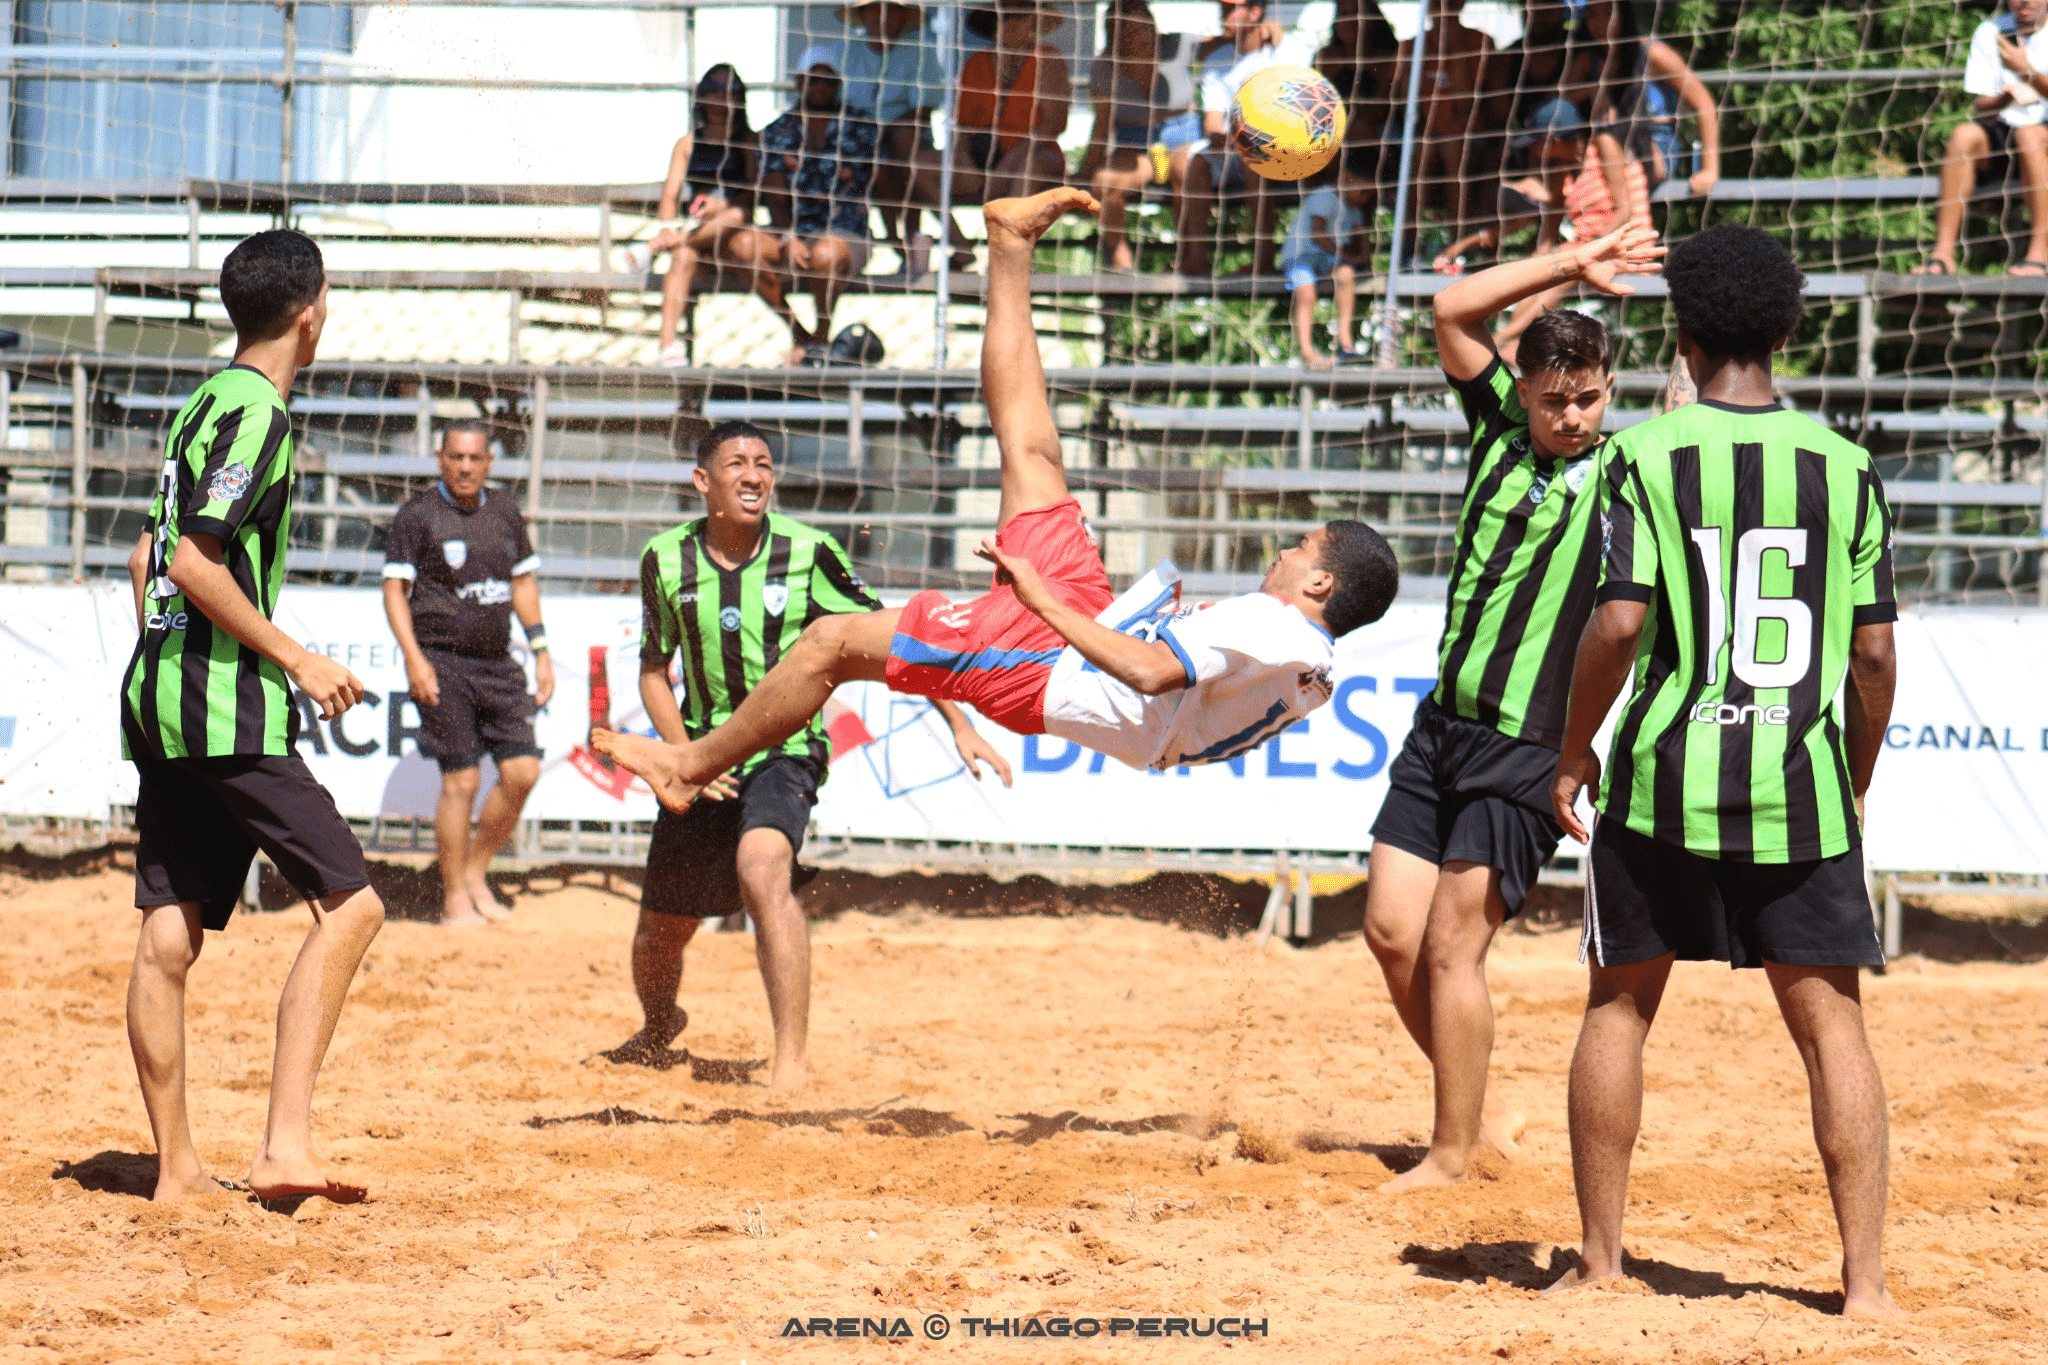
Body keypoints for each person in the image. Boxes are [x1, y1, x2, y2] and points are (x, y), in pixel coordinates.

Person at [590, 188, 1402, 815]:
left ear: (1322, 584)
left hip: (1052, 666)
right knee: (1033, 449)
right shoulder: (1311, 666)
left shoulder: (1279, 625)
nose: (1284, 550)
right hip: (1092, 631)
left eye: (1302, 547)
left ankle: (688, 763)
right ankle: (1011, 244)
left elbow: (1152, 674)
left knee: (829, 643)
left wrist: (1042, 601)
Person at [1547, 225, 1903, 1318]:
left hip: (1659, 780)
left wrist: (1572, 754)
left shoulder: (1640, 457)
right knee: (1831, 1024)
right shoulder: (1844, 465)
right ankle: (1864, 1288)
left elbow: (1616, 623)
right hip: (1795, 791)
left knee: (1616, 1008)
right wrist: (1849, 774)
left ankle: (1603, 1264)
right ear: (1787, 331)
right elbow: (1874, 653)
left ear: (1682, 333)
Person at [1364, 221, 1662, 1192]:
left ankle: (1449, 1154)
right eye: (1551, 401)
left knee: (1453, 945)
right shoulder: (1494, 425)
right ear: (1521, 391)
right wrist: (1570, 265)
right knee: (1389, 935)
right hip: (1440, 727)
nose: (1570, 416)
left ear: (1607, 388)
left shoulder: (1628, 475)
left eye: (1585, 398)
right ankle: (1474, 1117)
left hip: (1529, 744)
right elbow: (1450, 308)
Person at [613, 420, 1009, 1090]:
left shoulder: (809, 550)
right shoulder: (664, 557)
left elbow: (895, 641)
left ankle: (789, 1061)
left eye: (763, 463)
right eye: (737, 462)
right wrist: (683, 757)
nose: (753, 474)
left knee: (762, 867)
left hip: (785, 750)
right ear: (702, 480)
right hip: (703, 760)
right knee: (660, 934)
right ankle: (657, 1026)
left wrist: (960, 724)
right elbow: (655, 669)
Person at [117, 229, 383, 1204]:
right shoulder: (261, 414)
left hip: (161, 700)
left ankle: (178, 1173)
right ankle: (281, 1148)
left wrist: (163, 656)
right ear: (309, 311)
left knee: (169, 938)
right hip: (221, 712)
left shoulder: (202, 401)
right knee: (353, 905)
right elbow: (190, 560)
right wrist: (297, 656)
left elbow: (144, 559)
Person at [380, 420, 556, 927]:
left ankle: (476, 871)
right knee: (461, 780)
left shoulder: (503, 509)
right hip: (442, 660)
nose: (464, 467)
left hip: (498, 662)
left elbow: (522, 582)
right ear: (440, 459)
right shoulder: (417, 515)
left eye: (474, 458)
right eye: (455, 457)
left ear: (488, 463)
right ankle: (454, 896)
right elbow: (394, 591)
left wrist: (541, 648)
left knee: (523, 772)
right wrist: (414, 658)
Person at [1433, 100, 1653, 361]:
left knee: (1568, 268)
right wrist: (1535, 267)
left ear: (1554, 140)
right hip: (1581, 250)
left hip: (1622, 246)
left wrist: (1589, 249)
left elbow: (1624, 210)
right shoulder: (1560, 170)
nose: (1534, 151)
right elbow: (1547, 233)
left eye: (1536, 142)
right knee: (1541, 272)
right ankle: (1509, 344)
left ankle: (1501, 341)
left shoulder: (1603, 145)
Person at [905, 0, 1072, 269]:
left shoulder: (1048, 59)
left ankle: (1010, 256)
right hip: (981, 157)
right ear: (995, 24)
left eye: (1020, 17)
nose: (1012, 24)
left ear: (1034, 22)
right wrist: (963, 159)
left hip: (1035, 155)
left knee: (1026, 170)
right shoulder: (976, 63)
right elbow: (962, 126)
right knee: (919, 166)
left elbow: (1054, 123)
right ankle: (961, 248)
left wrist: (1011, 159)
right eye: (1005, 17)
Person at [623, 65, 757, 367]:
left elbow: (751, 194)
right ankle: (667, 345)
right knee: (683, 256)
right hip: (697, 234)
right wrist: (670, 225)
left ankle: (656, 246)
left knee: (735, 215)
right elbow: (670, 196)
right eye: (714, 90)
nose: (721, 98)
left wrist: (718, 207)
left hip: (731, 235)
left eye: (729, 91)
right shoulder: (688, 143)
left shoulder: (748, 141)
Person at [1174, 0, 1318, 276]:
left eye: (1233, 8)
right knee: (1187, 161)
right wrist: (1229, 138)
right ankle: (1195, 258)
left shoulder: (1288, 49)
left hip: (1283, 148)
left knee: (1255, 156)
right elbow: (1213, 122)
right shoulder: (1218, 59)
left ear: (1256, 12)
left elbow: (1302, 107)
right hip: (1234, 146)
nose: (1224, 13)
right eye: (1223, 7)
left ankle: (1263, 260)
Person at [754, 52, 880, 364]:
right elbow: (774, 193)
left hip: (846, 232)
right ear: (799, 82)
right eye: (813, 80)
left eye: (828, 80)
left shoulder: (861, 127)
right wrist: (788, 236)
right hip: (794, 232)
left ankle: (820, 338)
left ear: (837, 84)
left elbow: (884, 182)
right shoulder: (777, 131)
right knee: (745, 249)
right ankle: (801, 335)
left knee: (825, 253)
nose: (820, 87)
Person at [1914, 0, 2048, 276]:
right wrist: (2006, 96)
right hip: (2004, 130)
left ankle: (2039, 254)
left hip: (2040, 137)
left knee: (2029, 136)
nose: (2026, 2)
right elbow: (1981, 106)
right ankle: (1943, 253)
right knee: (1963, 135)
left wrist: (2029, 73)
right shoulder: (1990, 31)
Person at [1077, 0, 1204, 272]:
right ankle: (1122, 263)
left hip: (1181, 134)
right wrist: (1084, 172)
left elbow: (1228, 45)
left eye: (1145, 26)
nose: (1142, 36)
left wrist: (1265, 26)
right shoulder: (1104, 68)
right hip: (1133, 142)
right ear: (1116, 35)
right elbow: (1102, 124)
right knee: (1104, 181)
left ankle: (1193, 256)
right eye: (1130, 30)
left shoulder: (1179, 45)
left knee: (1186, 169)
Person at [832, 2, 947, 259]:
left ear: (903, 15)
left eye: (891, 9)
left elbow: (923, 108)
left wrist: (888, 130)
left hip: (906, 137)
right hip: (858, 138)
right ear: (863, 15)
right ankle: (900, 240)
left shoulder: (920, 51)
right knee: (880, 158)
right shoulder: (845, 52)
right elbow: (836, 104)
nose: (882, 16)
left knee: (904, 147)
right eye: (874, 8)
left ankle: (911, 235)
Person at [1280, 152, 1374, 368]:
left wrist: (1364, 251)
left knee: (1346, 274)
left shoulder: (1354, 210)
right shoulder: (1325, 196)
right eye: (1364, 191)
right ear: (1346, 179)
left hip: (1326, 259)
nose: (1365, 198)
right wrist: (1346, 255)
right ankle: (1307, 352)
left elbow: (1361, 237)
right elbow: (1318, 235)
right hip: (1300, 257)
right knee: (1306, 292)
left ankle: (1345, 342)